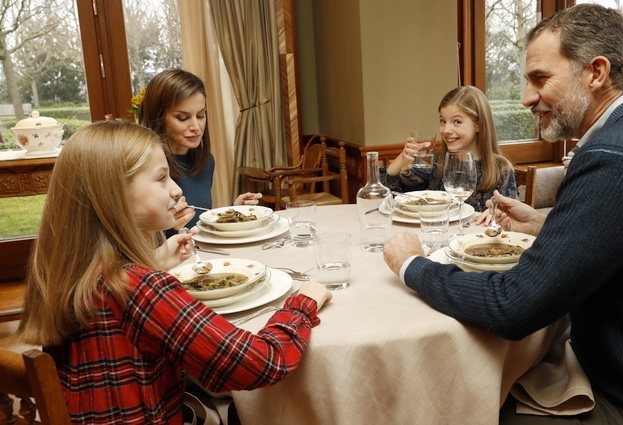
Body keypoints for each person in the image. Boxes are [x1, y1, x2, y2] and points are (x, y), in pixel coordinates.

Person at [383, 4, 623, 424]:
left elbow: (512, 307)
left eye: (540, 78)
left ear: (596, 72)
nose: (526, 98)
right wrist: (546, 224)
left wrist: (412, 264)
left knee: (468, 406)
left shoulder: (615, 156)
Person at [16, 120, 332, 425]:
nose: (176, 189)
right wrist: (302, 304)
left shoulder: (70, 273)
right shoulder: (140, 289)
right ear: (113, 193)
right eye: (161, 178)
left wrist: (154, 262)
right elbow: (261, 363)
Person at [139, 68, 262, 230]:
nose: (196, 127)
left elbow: (198, 220)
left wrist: (233, 209)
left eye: (201, 115)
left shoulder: (206, 162)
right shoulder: (143, 168)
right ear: (159, 118)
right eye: (182, 118)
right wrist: (167, 226)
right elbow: (135, 239)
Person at [380, 86, 517, 213]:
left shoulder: (501, 170)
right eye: (443, 121)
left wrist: (497, 216)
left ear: (478, 125)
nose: (446, 130)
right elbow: (391, 196)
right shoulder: (436, 163)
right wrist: (402, 158)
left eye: (457, 122)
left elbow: (508, 221)